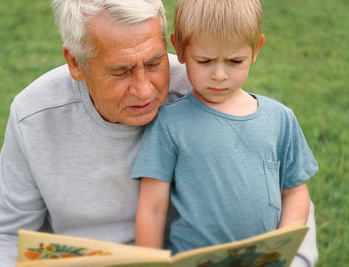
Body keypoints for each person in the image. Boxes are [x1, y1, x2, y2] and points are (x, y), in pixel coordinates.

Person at [0, 0, 317, 267]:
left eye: (155, 63)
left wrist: (291, 261)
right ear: (76, 63)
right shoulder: (34, 116)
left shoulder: (202, 88)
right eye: (121, 71)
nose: (144, 91)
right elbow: (8, 234)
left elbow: (279, 190)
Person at [132, 0, 318, 265]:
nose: (219, 75)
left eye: (235, 61)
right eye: (204, 61)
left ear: (256, 50)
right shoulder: (169, 123)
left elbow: (295, 192)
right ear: (180, 48)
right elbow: (152, 207)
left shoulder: (280, 119)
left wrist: (281, 249)